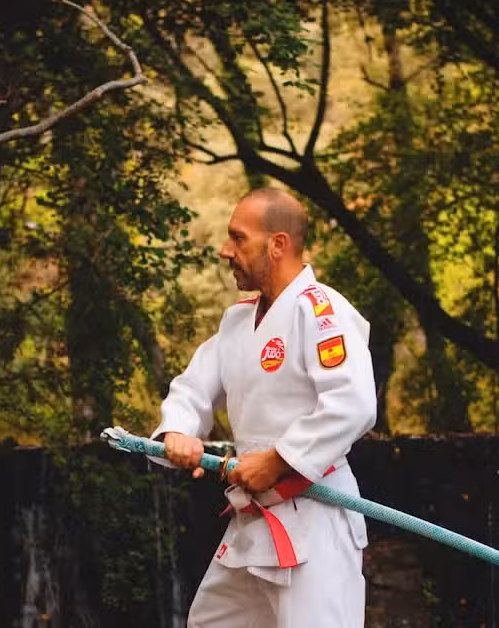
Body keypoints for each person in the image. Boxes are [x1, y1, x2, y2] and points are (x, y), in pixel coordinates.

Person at [150, 187, 377, 627]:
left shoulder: (322, 312)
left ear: (278, 245)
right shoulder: (238, 320)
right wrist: (177, 431)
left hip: (314, 520)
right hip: (253, 521)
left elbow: (353, 403)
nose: (225, 250)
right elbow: (195, 387)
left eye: (238, 238)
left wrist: (278, 460)